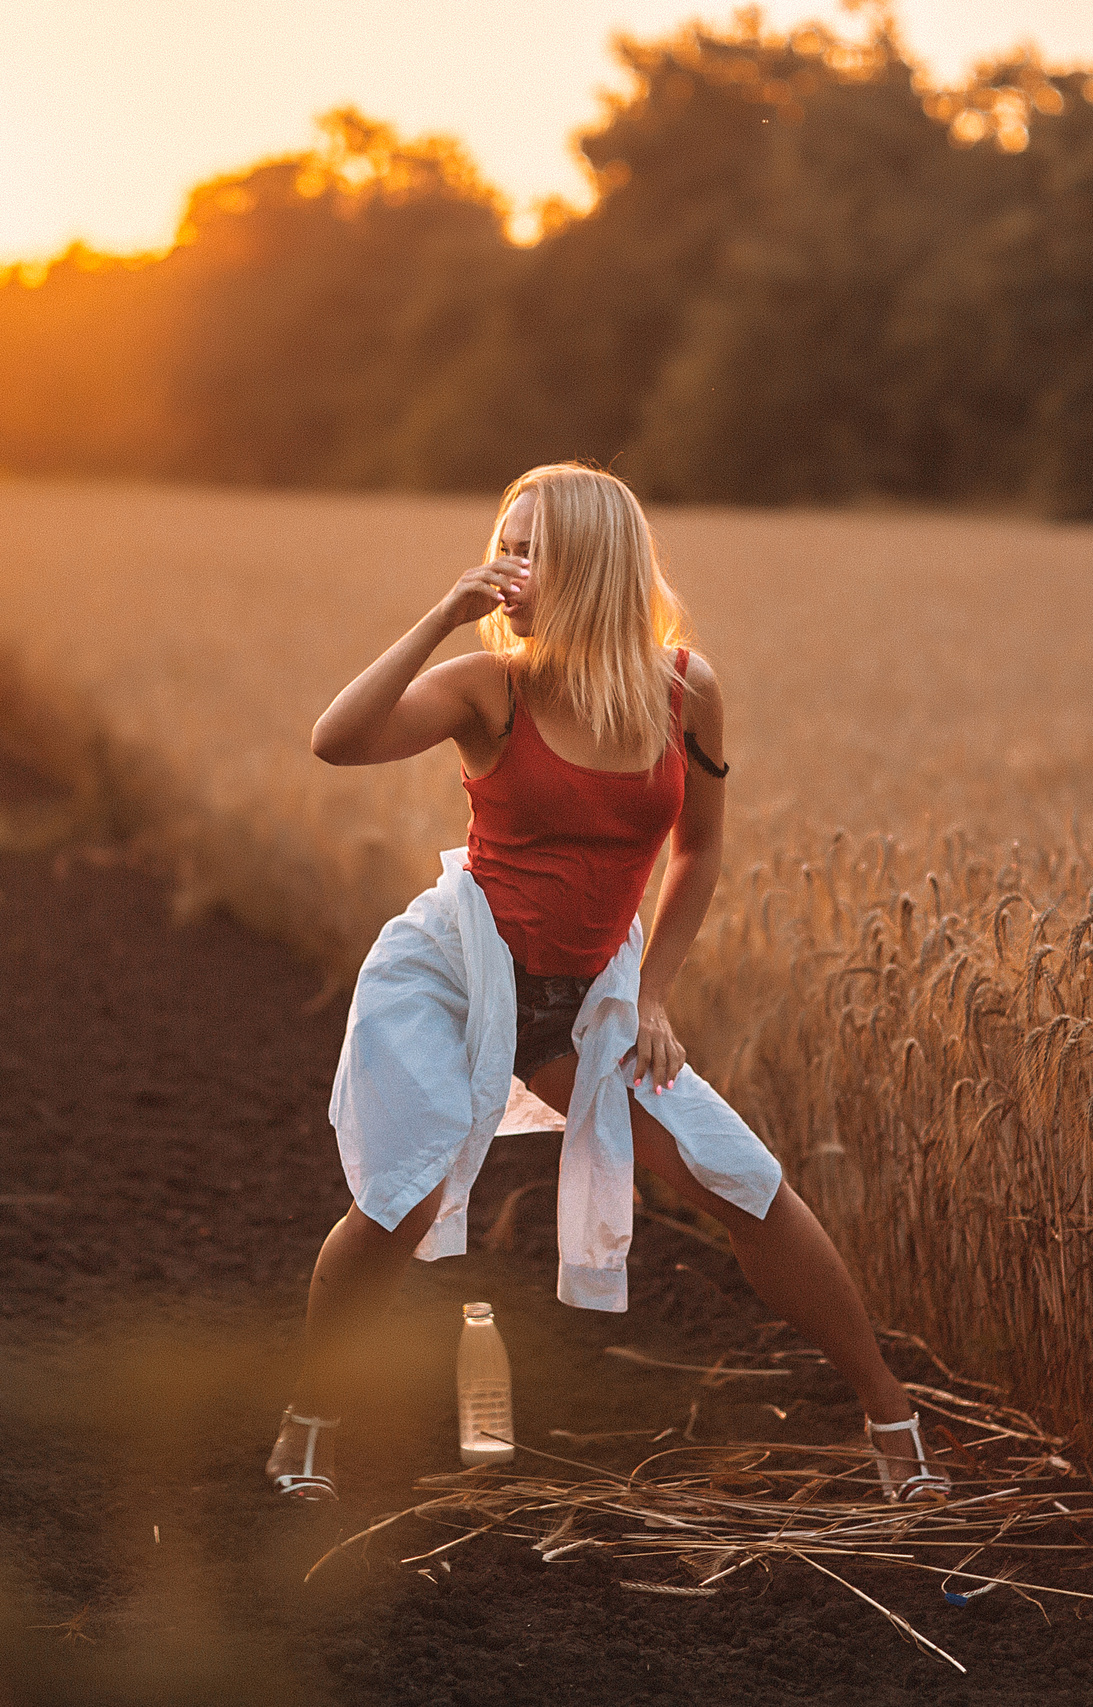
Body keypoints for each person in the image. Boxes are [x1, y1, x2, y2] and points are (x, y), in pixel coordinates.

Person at [266, 463, 944, 1505]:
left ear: (592, 561)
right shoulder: (492, 687)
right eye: (506, 541)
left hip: (591, 996)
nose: (509, 565)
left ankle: (893, 1423)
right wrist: (444, 614)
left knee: (744, 1184)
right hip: (451, 978)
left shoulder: (686, 691)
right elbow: (334, 740)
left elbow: (699, 852)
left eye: (533, 547)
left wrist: (655, 994)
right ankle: (303, 1432)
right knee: (399, 1201)